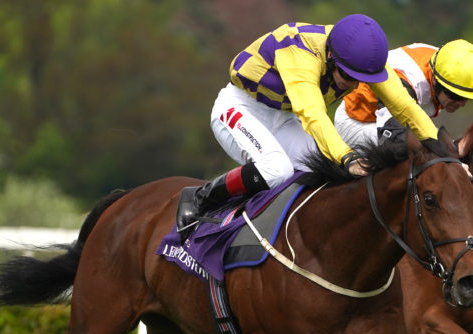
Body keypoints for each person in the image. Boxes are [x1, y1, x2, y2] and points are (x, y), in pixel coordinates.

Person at [176, 14, 439, 242]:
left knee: (326, 174)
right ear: (330, 56)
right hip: (239, 109)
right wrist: (347, 157)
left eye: (362, 80)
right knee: (276, 171)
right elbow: (313, 114)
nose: (353, 85)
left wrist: (439, 148)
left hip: (285, 118)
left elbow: (405, 107)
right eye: (348, 76)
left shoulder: (363, 62)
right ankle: (201, 197)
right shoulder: (300, 52)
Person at [334, 39, 473, 153]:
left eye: (468, 97)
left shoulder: (453, 62)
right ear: (435, 80)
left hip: (397, 117)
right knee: (421, 154)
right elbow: (391, 137)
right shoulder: (408, 83)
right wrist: (452, 150)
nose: (462, 103)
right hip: (358, 122)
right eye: (455, 96)